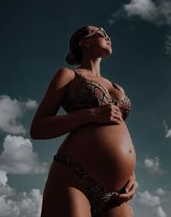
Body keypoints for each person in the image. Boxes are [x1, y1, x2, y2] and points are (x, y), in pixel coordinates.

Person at [30, 25, 136, 217]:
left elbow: (119, 133)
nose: (108, 37)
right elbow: (37, 128)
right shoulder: (68, 75)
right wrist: (91, 114)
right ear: (84, 42)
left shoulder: (116, 86)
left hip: (115, 192)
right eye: (101, 33)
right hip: (73, 176)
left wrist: (129, 174)